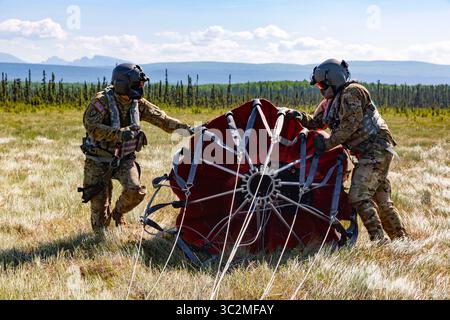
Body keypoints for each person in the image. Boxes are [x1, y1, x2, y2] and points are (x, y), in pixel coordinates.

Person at [286, 58, 407, 243]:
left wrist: (326, 145)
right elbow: (317, 122)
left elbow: (349, 126)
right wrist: (299, 117)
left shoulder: (352, 93)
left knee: (358, 197)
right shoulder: (331, 101)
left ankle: (380, 241)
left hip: (375, 150)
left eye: (321, 85)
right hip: (368, 153)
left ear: (333, 80)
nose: (320, 89)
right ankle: (402, 242)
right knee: (382, 201)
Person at [79, 63, 193, 233]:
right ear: (123, 84)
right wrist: (119, 134)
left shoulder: (137, 103)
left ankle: (118, 213)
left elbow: (162, 119)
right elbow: (92, 127)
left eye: (141, 84)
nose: (140, 88)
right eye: (136, 84)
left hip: (124, 158)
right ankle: (103, 226)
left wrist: (188, 129)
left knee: (136, 191)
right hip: (98, 160)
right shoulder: (101, 101)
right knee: (99, 223)